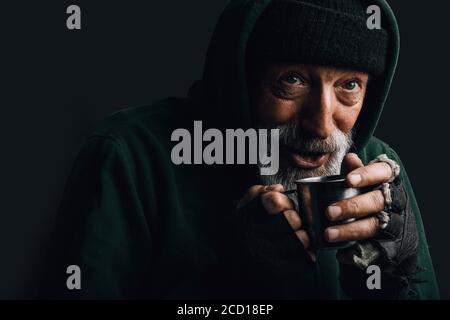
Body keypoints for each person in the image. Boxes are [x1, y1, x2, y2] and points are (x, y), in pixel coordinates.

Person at [42, 0, 439, 299]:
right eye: (293, 80)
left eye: (349, 85)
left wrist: (399, 279)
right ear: (239, 79)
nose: (321, 123)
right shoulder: (130, 156)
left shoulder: (376, 171)